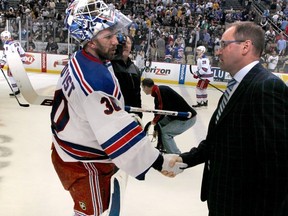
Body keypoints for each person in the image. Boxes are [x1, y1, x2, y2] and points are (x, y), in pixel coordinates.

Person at [50, 1, 185, 215]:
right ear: (91, 41)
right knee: (93, 212)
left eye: (115, 33)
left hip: (69, 147)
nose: (117, 40)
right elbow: (118, 137)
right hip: (84, 164)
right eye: (108, 36)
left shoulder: (80, 59)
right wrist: (159, 161)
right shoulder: (95, 82)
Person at [165, 21, 288, 216]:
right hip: (222, 200)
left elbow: (277, 164)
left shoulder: (266, 87)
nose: (218, 52)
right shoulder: (235, 87)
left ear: (245, 47)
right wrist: (184, 159)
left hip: (244, 207)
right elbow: (218, 141)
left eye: (223, 44)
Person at [141, 78, 197, 154]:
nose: (143, 90)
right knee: (160, 124)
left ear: (146, 87)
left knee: (166, 133)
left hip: (186, 118)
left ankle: (176, 155)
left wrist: (154, 121)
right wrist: (156, 126)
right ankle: (163, 145)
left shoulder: (160, 91)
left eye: (142, 87)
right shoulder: (158, 91)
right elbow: (158, 111)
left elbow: (161, 110)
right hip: (177, 117)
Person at [111, 35, 143, 118]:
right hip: (114, 111)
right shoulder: (110, 64)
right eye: (123, 43)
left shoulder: (135, 69)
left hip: (131, 113)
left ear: (131, 46)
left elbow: (137, 93)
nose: (125, 45)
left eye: (128, 43)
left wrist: (139, 113)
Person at [0, 30, 26, 96]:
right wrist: (23, 60)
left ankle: (16, 90)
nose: (2, 38)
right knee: (17, 76)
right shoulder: (16, 42)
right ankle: (21, 88)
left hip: (13, 63)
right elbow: (22, 52)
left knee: (11, 76)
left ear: (6, 37)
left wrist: (2, 64)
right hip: (18, 62)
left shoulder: (7, 44)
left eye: (3, 37)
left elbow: (6, 55)